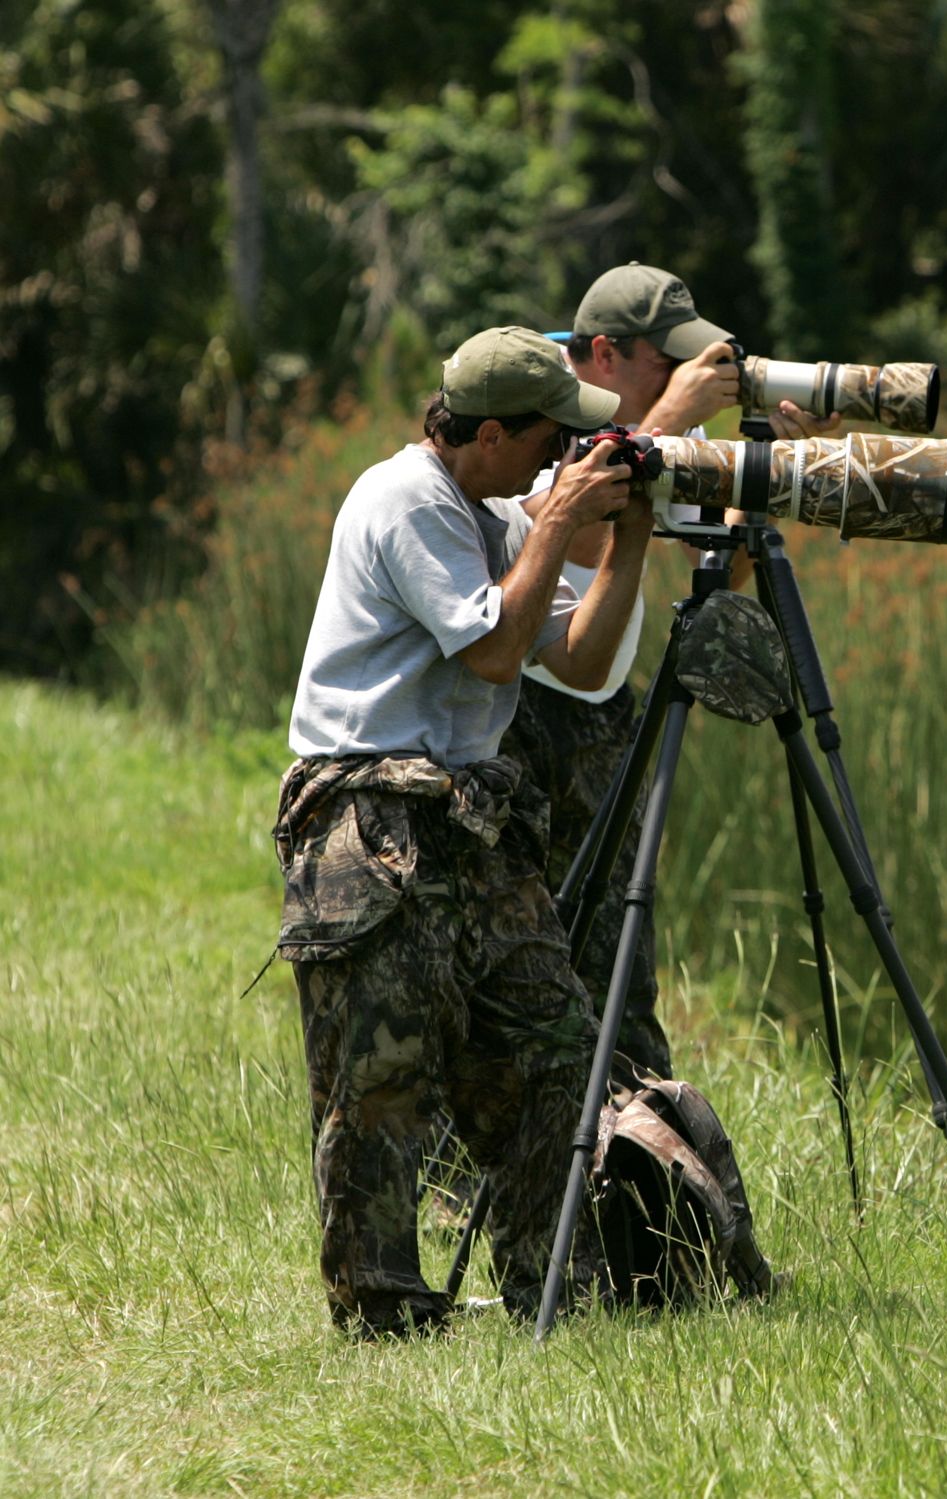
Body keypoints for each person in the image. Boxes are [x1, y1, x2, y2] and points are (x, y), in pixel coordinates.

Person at [271, 326, 648, 1337]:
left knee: (555, 1045)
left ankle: (547, 1287)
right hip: (368, 817)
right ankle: (383, 1315)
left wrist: (629, 536)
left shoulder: (490, 511)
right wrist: (556, 522)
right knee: (381, 1082)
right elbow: (492, 647)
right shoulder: (405, 500)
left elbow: (579, 658)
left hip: (473, 819)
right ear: (488, 433)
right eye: (549, 441)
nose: (559, 461)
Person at [500, 263, 838, 1089]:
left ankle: (637, 1167)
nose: (691, 380)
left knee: (618, 956)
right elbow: (557, 536)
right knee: (510, 956)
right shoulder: (527, 412)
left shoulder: (650, 426)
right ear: (605, 353)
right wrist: (669, 418)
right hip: (512, 714)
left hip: (604, 714)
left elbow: (715, 574)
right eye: (669, 362)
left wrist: (764, 476)